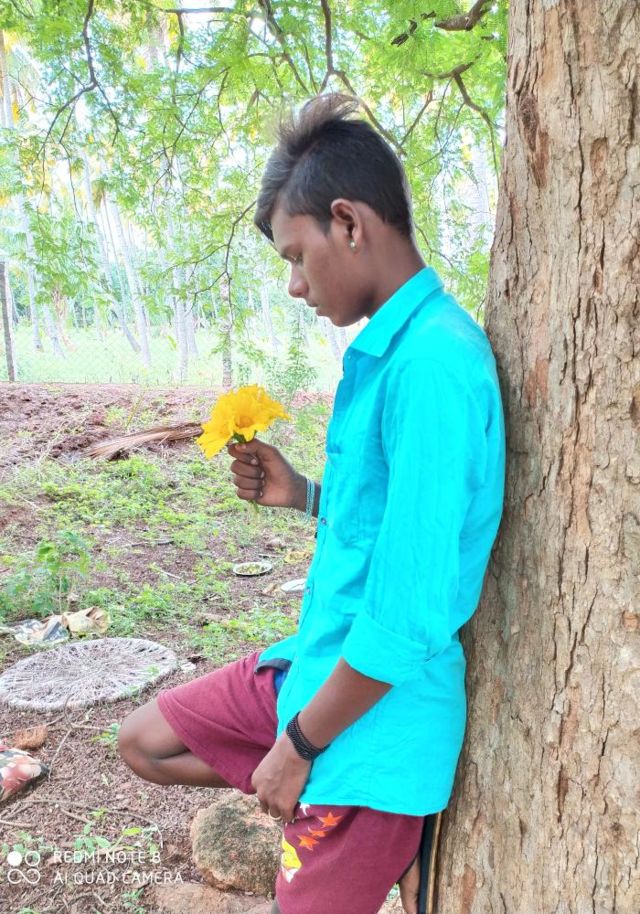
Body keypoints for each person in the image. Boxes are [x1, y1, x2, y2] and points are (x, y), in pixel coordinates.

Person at [118, 94, 505, 914]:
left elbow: (404, 618)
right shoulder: (393, 353)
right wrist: (304, 496)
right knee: (142, 742)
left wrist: (298, 748)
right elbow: (391, 530)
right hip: (320, 667)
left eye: (297, 256)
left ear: (349, 223)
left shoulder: (432, 366)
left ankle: (378, 825)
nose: (295, 286)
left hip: (369, 723)